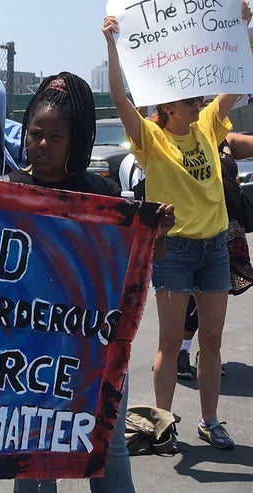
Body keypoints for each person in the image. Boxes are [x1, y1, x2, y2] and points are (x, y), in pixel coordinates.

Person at [7, 71, 172, 493]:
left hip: (93, 364)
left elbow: (138, 264)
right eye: (35, 133)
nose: (42, 144)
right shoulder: (3, 195)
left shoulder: (99, 197)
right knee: (34, 482)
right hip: (25, 368)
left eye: (55, 136)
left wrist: (152, 236)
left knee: (110, 467)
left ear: (74, 140)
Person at [103, 3, 252, 451]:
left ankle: (210, 421)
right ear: (166, 106)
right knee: (170, 342)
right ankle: (161, 424)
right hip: (175, 250)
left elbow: (235, 81)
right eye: (189, 100)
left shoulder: (207, 127)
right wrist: (111, 44)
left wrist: (243, 28)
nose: (199, 102)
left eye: (198, 99)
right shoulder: (151, 140)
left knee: (211, 340)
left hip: (214, 248)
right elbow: (118, 97)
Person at [176, 133, 253, 379]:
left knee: (214, 293)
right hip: (195, 229)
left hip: (227, 227)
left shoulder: (224, 139)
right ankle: (181, 351)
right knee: (191, 294)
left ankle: (204, 353)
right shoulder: (178, 138)